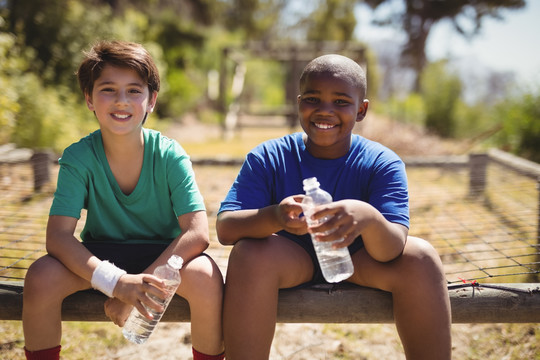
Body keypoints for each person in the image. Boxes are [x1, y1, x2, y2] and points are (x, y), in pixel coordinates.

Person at [216, 54, 452, 360]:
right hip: (289, 257)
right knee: (248, 254)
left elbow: (391, 250)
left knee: (422, 257)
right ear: (299, 103)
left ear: (362, 109)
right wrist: (276, 216)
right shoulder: (269, 156)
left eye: (341, 101)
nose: (325, 110)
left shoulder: (382, 163)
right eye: (313, 98)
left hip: (360, 259)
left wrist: (367, 218)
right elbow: (226, 228)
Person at [22, 40, 224, 360]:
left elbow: (197, 234)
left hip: (163, 257)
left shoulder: (170, 155)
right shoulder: (78, 157)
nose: (121, 101)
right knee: (40, 277)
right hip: (103, 256)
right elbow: (58, 237)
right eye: (108, 89)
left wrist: (139, 290)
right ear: (89, 98)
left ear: (151, 100)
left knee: (205, 276)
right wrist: (117, 284)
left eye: (134, 90)